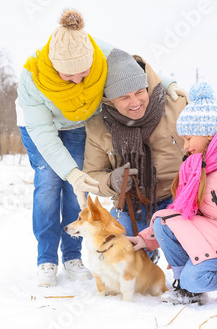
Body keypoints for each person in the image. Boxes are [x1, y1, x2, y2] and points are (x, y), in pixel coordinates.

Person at [16, 9, 187, 287]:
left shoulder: (99, 51)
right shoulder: (32, 76)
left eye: (84, 73)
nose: (78, 81)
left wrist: (167, 83)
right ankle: (46, 258)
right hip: (42, 126)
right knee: (49, 184)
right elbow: (41, 131)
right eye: (68, 75)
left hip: (83, 123)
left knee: (80, 190)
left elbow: (133, 68)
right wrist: (69, 172)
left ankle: (73, 255)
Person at [129, 82, 217, 304]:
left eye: (189, 139)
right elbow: (178, 212)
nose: (185, 146)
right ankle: (187, 287)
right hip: (210, 232)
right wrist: (146, 239)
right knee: (163, 221)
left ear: (209, 135)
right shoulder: (195, 166)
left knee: (196, 279)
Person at [82, 48, 187, 258]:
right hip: (134, 204)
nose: (135, 102)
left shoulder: (177, 105)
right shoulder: (98, 126)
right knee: (120, 257)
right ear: (110, 100)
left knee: (189, 251)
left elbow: (212, 141)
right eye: (124, 97)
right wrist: (112, 181)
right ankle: (147, 250)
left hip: (179, 197)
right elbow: (91, 175)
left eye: (140, 91)